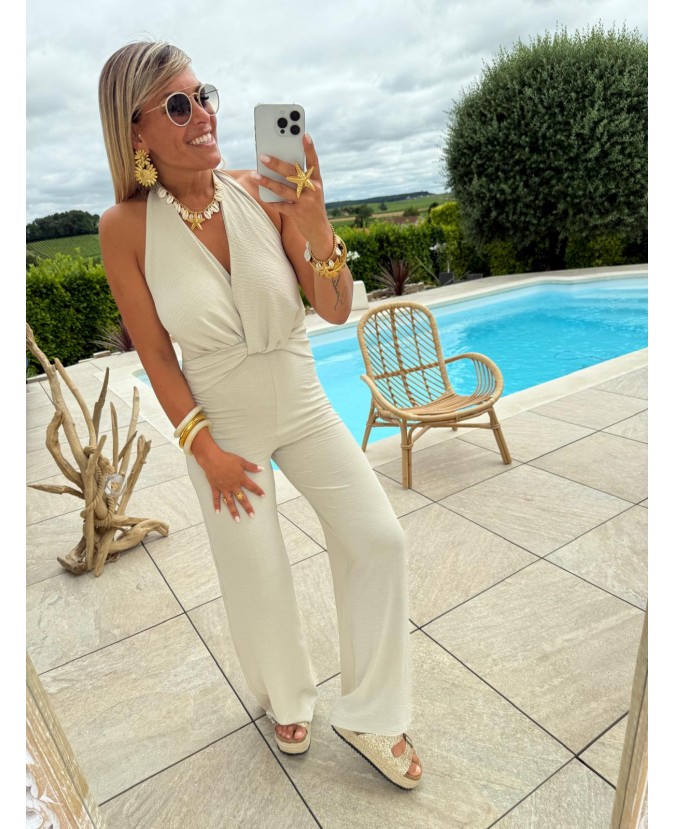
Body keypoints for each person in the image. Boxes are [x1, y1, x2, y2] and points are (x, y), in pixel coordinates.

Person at [97, 40, 422, 789]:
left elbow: (334, 309)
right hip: (223, 424)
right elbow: (156, 355)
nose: (203, 115)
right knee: (258, 573)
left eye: (203, 95)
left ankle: (374, 712)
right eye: (178, 105)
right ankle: (285, 693)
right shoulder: (125, 228)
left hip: (304, 403)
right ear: (136, 129)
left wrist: (316, 220)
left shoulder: (263, 191)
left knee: (378, 539)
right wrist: (203, 448)